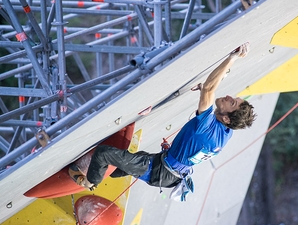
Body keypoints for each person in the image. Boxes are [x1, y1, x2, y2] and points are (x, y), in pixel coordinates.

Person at [69, 42, 256, 196]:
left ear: (227, 119)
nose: (229, 96)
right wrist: (206, 92)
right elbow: (210, 95)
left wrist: (232, 58)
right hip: (170, 171)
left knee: (104, 153)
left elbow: (209, 89)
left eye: (232, 102)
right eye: (234, 98)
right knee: (127, 163)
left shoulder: (207, 127)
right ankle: (102, 171)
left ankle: (89, 182)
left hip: (160, 171)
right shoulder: (226, 132)